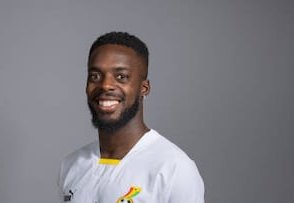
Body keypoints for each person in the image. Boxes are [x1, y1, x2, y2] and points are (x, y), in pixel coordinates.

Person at [57, 31, 205, 203]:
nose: (105, 85)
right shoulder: (71, 165)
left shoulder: (173, 168)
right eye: (95, 76)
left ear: (144, 88)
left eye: (121, 76)